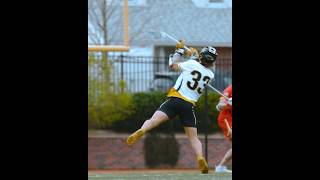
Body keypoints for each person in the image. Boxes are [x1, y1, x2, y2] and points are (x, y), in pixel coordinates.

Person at [126, 40, 218, 173]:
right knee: (193, 138)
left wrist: (178, 52)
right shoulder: (210, 75)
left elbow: (173, 66)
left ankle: (142, 130)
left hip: (175, 100)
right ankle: (200, 157)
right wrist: (192, 55)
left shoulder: (192, 64)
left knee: (153, 121)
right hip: (188, 106)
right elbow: (197, 66)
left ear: (201, 56)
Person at [215, 84, 232, 173]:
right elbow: (218, 107)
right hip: (225, 119)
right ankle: (220, 167)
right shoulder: (229, 90)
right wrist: (226, 103)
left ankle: (220, 167)